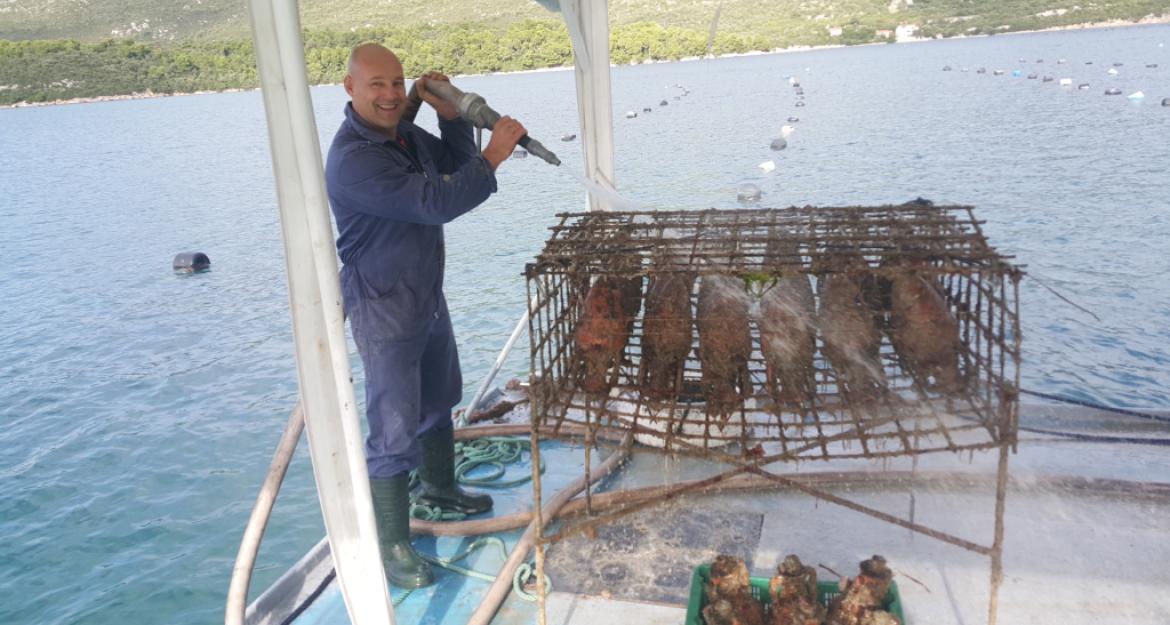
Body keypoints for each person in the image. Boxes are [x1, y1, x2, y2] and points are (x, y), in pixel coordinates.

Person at [324, 43, 527, 589]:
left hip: (424, 293)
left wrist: (452, 117)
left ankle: (439, 489)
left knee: (439, 396)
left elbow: (451, 167)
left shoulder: (403, 137)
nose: (390, 94)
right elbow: (438, 201)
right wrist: (495, 155)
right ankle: (391, 544)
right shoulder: (355, 158)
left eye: (397, 83)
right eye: (377, 85)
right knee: (391, 429)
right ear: (350, 88)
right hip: (384, 303)